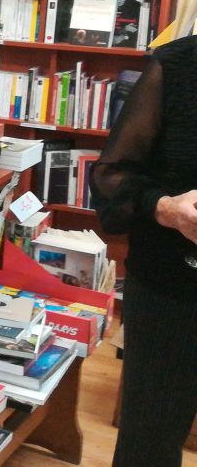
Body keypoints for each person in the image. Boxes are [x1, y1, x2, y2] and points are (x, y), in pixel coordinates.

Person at [91, 33, 197, 467]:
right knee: (149, 441)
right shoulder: (178, 66)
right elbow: (110, 178)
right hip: (172, 289)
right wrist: (166, 208)